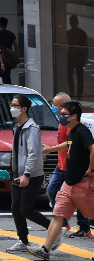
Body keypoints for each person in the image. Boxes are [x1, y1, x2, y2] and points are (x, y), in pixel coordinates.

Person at [27, 102, 94, 261]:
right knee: (58, 215)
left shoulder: (82, 130)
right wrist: (50, 149)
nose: (60, 116)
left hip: (84, 184)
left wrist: (91, 169)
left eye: (64, 114)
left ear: (74, 116)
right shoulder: (73, 132)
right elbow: (69, 145)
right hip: (69, 183)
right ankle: (45, 250)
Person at [5, 95, 53, 253]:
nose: (12, 108)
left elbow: (33, 154)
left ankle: (54, 228)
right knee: (15, 208)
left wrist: (26, 174)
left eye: (15, 105)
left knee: (25, 209)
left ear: (24, 108)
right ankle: (23, 241)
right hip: (19, 174)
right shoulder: (17, 127)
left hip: (31, 175)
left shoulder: (31, 128)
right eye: (12, 105)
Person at [42, 93, 90, 241]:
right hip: (61, 165)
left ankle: (84, 227)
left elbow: (70, 144)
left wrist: (49, 149)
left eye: (56, 105)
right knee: (52, 190)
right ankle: (63, 222)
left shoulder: (71, 125)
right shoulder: (62, 121)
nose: (54, 107)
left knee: (79, 197)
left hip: (70, 166)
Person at [66, 15, 87, 98]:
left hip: (71, 56)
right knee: (80, 75)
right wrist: (86, 56)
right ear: (77, 22)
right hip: (80, 56)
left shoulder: (69, 33)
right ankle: (80, 92)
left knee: (69, 74)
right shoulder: (82, 32)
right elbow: (86, 45)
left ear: (70, 23)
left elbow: (66, 44)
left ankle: (71, 90)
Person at [0, 17, 19, 85]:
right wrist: (16, 58)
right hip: (7, 58)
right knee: (6, 77)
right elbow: (16, 47)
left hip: (1, 59)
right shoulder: (11, 34)